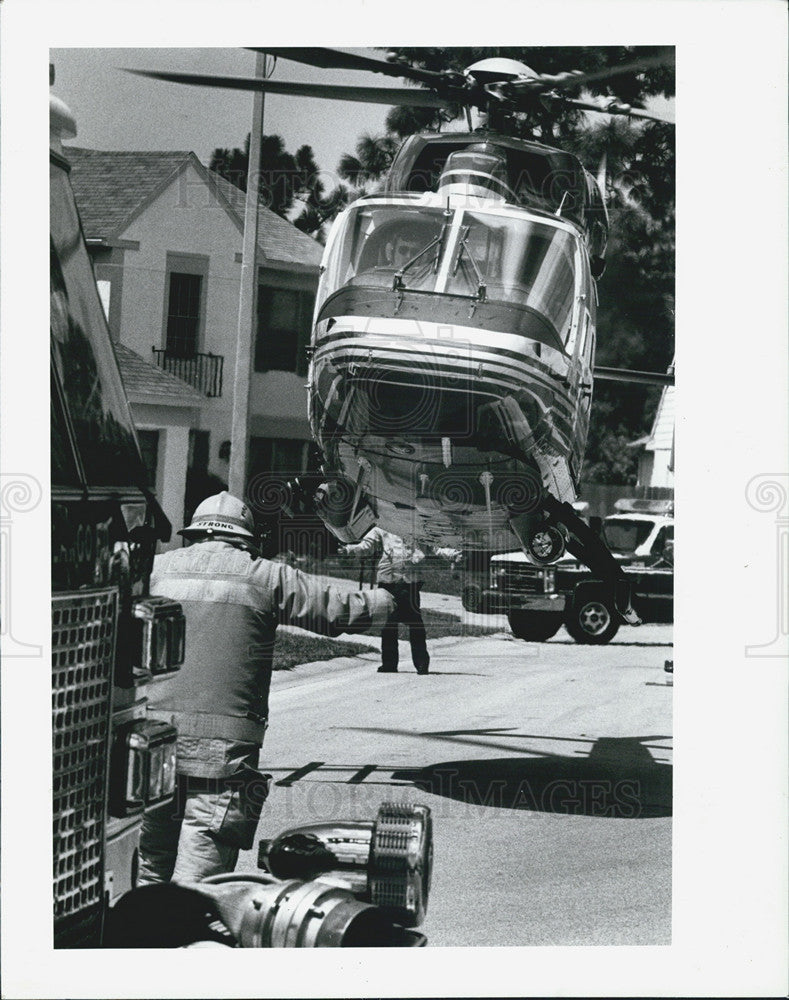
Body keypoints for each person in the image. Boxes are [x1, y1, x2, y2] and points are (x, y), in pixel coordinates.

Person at [137, 492, 394, 887]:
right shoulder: (265, 575)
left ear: (195, 531)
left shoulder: (153, 572)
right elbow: (338, 609)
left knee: (151, 861)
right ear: (246, 537)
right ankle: (182, 940)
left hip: (154, 745)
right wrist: (392, 597)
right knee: (199, 877)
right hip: (222, 754)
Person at [340, 527, 430, 675]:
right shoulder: (382, 526)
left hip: (409, 582)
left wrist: (454, 553)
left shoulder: (418, 526)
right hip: (387, 581)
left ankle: (421, 664)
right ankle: (389, 664)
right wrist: (349, 550)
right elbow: (366, 545)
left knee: (415, 623)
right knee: (388, 624)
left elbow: (436, 545)